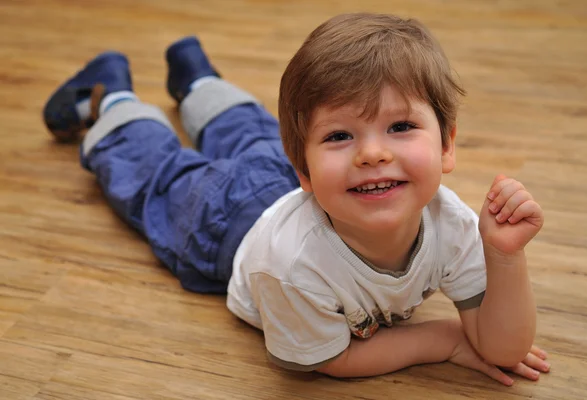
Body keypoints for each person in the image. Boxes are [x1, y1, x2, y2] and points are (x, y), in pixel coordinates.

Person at [43, 13, 550, 385]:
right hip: (224, 226)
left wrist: (505, 257)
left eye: (399, 126)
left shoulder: (454, 222)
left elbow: (504, 347)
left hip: (295, 187)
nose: (372, 153)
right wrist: (442, 340)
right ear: (302, 168)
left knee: (250, 132)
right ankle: (112, 95)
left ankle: (197, 79)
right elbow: (325, 359)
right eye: (340, 137)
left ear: (446, 145)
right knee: (159, 174)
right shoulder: (290, 265)